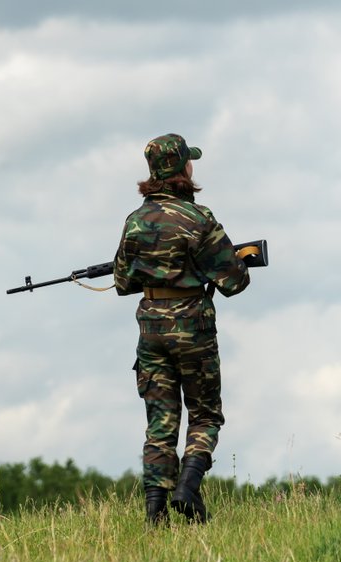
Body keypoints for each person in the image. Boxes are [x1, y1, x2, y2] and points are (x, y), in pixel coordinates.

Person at [114, 133, 251, 525]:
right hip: (193, 326)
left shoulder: (135, 222)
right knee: (205, 415)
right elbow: (234, 282)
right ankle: (188, 487)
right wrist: (229, 260)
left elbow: (123, 281)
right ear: (182, 169)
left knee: (160, 422)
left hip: (151, 329)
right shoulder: (200, 218)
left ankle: (155, 515)